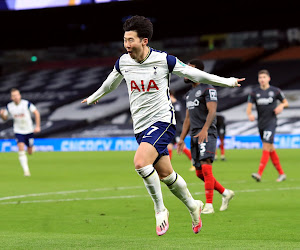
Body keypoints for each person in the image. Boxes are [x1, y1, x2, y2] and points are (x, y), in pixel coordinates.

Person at [81, 16, 244, 235]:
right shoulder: (123, 62)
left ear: (144, 41)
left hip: (162, 121)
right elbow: (109, 83)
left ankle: (160, 210)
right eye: (125, 40)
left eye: (131, 40)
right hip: (140, 126)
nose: (127, 45)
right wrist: (93, 97)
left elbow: (193, 73)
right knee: (167, 175)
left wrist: (227, 81)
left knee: (140, 163)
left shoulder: (163, 60)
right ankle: (193, 205)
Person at [177, 59, 235, 214]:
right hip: (194, 135)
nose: (186, 72)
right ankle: (225, 193)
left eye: (190, 69)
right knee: (199, 172)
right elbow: (188, 119)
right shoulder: (189, 94)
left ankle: (209, 205)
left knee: (206, 165)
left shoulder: (208, 89)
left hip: (207, 133)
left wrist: (205, 129)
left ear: (198, 72)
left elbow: (212, 111)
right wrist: (182, 139)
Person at [247, 69, 288, 182]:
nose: (262, 80)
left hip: (271, 122)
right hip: (261, 123)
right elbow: (249, 108)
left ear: (268, 78)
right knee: (270, 148)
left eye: (264, 77)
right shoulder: (254, 93)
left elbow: (286, 102)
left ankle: (259, 173)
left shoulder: (275, 91)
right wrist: (250, 114)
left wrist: (281, 106)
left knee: (266, 146)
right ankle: (281, 173)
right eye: (260, 78)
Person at [0, 88, 41, 176]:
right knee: (21, 148)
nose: (16, 97)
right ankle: (26, 171)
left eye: (17, 95)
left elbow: (36, 113)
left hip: (29, 130)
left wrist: (37, 126)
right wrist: (2, 115)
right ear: (11, 98)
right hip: (18, 131)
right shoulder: (9, 106)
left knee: (30, 152)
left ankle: (31, 147)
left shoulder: (26, 104)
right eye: (14, 96)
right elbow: (5, 119)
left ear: (20, 95)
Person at [167, 91, 192, 165]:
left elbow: (180, 118)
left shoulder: (176, 105)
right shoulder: (171, 105)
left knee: (182, 146)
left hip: (177, 129)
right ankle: (167, 166)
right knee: (169, 147)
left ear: (170, 95)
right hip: (172, 129)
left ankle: (194, 161)